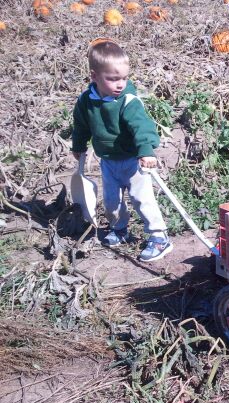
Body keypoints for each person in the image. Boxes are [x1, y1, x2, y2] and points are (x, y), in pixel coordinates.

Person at [71, 40, 173, 262]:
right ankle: (119, 229)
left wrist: (145, 150)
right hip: (108, 160)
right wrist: (78, 146)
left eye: (124, 78)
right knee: (111, 200)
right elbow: (81, 125)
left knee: (142, 198)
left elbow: (141, 126)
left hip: (132, 161)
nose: (120, 84)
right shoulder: (86, 101)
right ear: (94, 76)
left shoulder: (127, 100)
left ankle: (159, 236)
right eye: (113, 78)